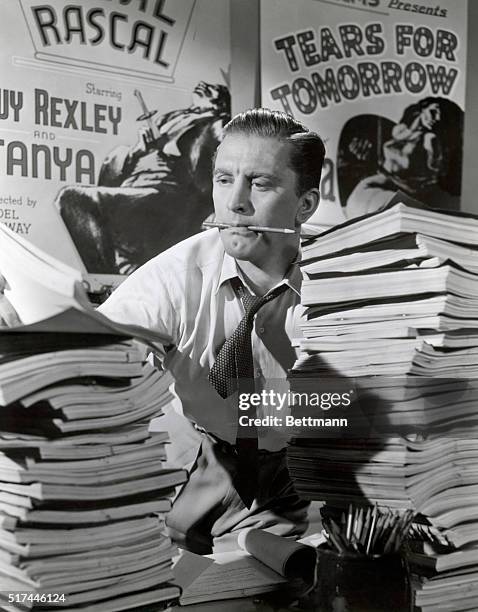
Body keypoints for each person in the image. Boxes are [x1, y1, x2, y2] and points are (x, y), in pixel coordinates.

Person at [0, 108, 326, 554]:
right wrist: (24, 339)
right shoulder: (177, 273)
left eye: (261, 183)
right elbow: (98, 349)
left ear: (305, 204)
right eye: (224, 179)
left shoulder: (344, 275)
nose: (236, 203)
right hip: (210, 477)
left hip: (316, 483)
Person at [57, 82, 231, 275]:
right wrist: (138, 151)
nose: (201, 85)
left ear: (220, 104)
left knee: (73, 198)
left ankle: (106, 281)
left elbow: (215, 173)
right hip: (130, 194)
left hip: (164, 199)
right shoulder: (170, 117)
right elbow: (109, 177)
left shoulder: (216, 124)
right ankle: (116, 283)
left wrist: (168, 151)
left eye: (210, 89)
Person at [343, 97, 463, 219]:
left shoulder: (430, 139)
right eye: (434, 111)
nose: (437, 118)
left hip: (395, 196)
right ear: (423, 107)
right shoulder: (401, 131)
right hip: (376, 185)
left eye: (441, 116)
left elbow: (433, 175)